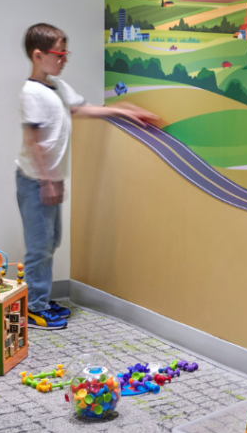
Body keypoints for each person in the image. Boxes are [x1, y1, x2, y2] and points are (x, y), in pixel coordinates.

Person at [16, 23, 159, 329]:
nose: (65, 58)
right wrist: (46, 180)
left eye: (66, 52)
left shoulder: (56, 87)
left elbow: (84, 109)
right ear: (39, 55)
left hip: (49, 180)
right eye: (59, 53)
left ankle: (40, 297)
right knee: (39, 245)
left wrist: (124, 111)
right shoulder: (32, 93)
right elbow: (33, 140)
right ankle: (33, 306)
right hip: (34, 182)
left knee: (51, 241)